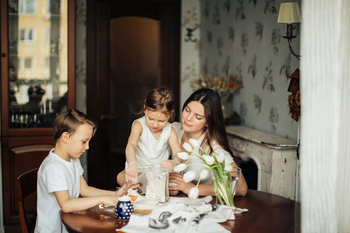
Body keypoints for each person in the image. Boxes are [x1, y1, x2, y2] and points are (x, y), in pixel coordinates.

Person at [35, 109, 135, 233]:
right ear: (66, 137)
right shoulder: (53, 167)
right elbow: (66, 205)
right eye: (83, 141)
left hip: (68, 227)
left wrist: (114, 195)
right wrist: (102, 199)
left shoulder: (72, 160)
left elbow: (84, 190)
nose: (87, 147)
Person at [169, 88, 248, 197]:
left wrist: (192, 188)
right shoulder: (173, 130)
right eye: (187, 110)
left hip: (203, 205)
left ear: (208, 122)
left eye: (198, 117)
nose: (188, 118)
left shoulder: (212, 146)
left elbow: (241, 187)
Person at [116, 86, 183, 187]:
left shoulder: (170, 130)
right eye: (151, 118)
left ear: (170, 114)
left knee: (174, 188)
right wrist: (131, 163)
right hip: (138, 170)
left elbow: (178, 152)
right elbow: (131, 145)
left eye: (161, 121)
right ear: (145, 109)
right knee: (129, 183)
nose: (155, 125)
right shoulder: (139, 125)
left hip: (159, 172)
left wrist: (175, 161)